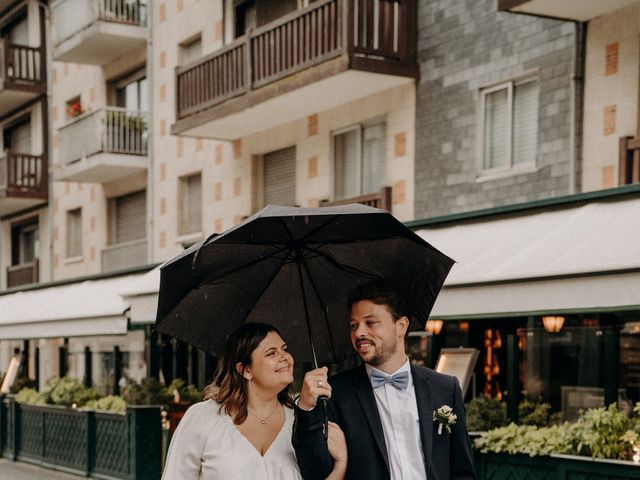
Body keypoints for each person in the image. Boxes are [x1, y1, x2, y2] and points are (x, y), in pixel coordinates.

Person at [293, 280, 476, 480]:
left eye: (370, 322)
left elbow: (462, 471)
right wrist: (306, 409)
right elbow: (314, 471)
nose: (359, 332)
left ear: (401, 326)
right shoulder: (335, 393)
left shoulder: (445, 388)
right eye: (354, 325)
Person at [162, 322, 348, 479]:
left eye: (284, 349)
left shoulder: (299, 422)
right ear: (245, 370)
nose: (285, 357)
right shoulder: (203, 418)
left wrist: (340, 464)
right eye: (271, 353)